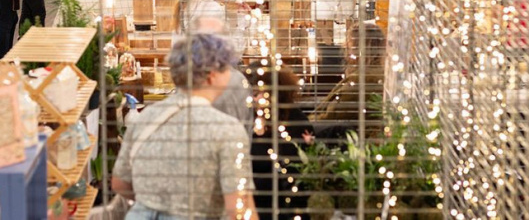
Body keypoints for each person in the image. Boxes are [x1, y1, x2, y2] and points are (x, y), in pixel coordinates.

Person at [112, 34, 259, 220]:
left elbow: (120, 183)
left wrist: (155, 203)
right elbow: (239, 209)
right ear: (212, 74)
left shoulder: (146, 117)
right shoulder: (227, 130)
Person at [245, 62, 314, 219]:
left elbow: (295, 173)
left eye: (258, 93)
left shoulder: (295, 121)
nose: (254, 99)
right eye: (252, 94)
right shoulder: (250, 118)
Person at [311, 23, 386, 124]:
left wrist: (307, 122)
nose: (345, 47)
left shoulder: (362, 80)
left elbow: (332, 117)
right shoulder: (374, 73)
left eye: (349, 44)